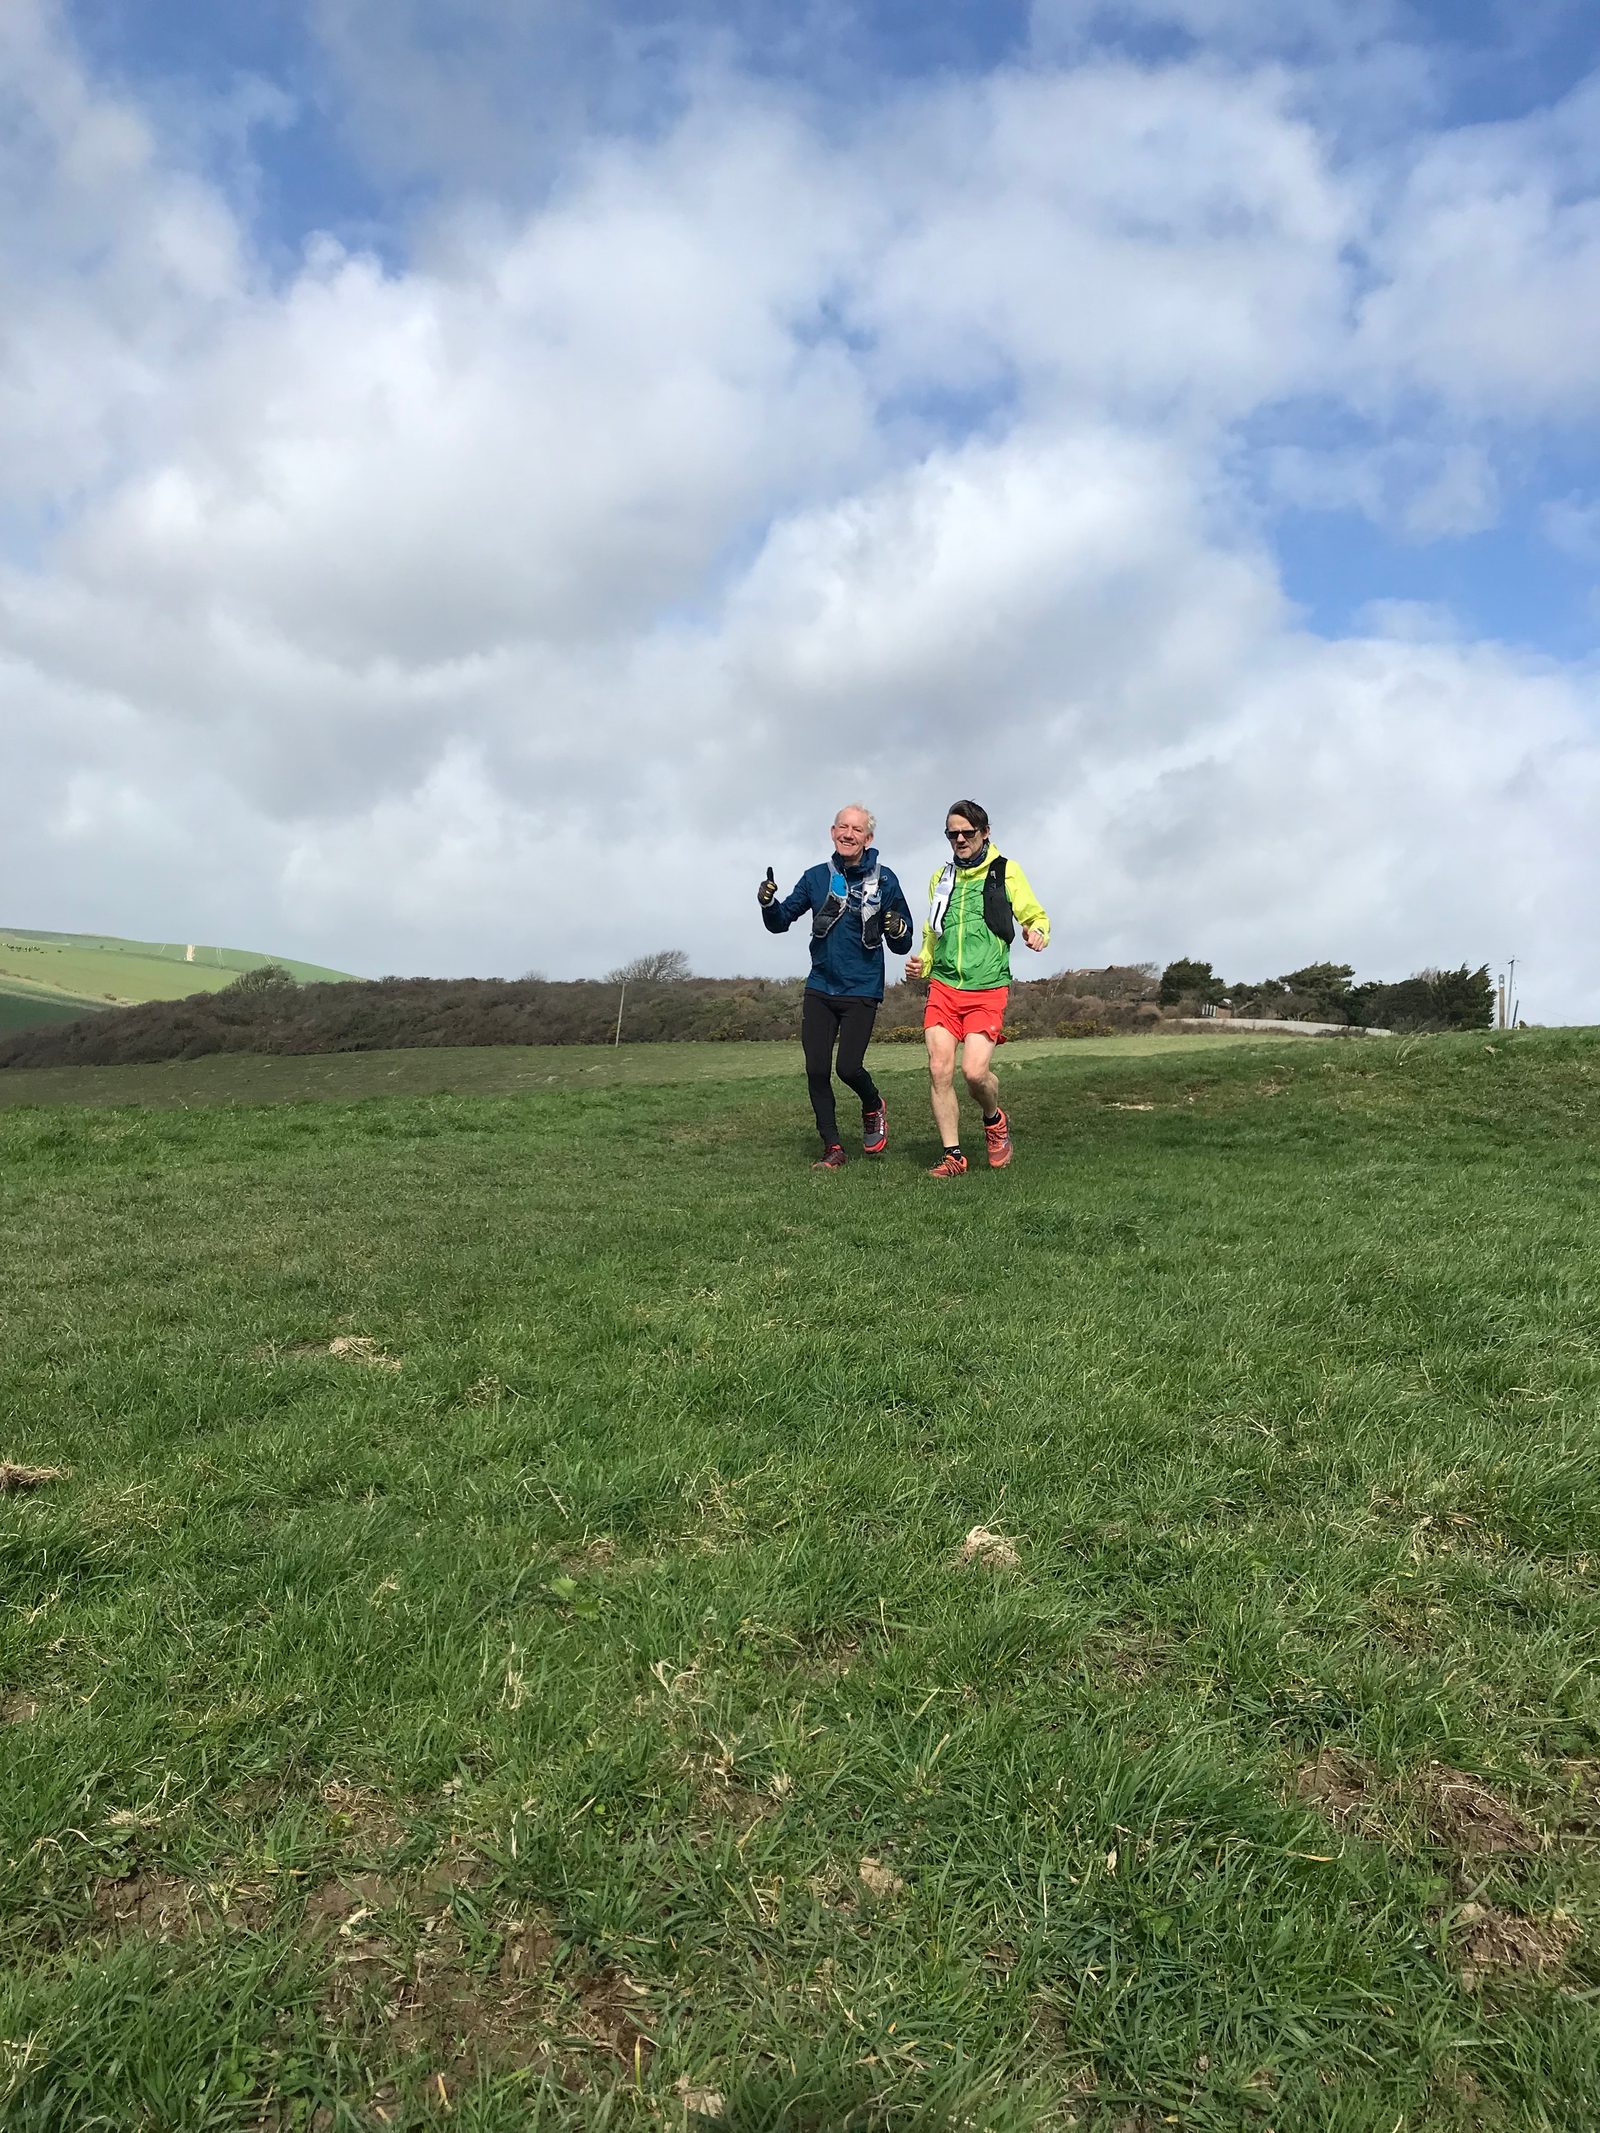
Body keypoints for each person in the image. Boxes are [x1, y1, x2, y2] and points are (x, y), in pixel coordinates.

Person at [759, 805, 915, 1169]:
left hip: (862, 988)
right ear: (832, 833)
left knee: (847, 1068)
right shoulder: (815, 877)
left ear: (868, 838)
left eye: (856, 829)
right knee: (816, 1069)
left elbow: (902, 944)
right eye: (842, 827)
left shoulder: (886, 880)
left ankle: (873, 1103)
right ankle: (833, 1147)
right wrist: (767, 903)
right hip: (820, 987)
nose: (848, 833)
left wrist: (896, 927)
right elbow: (780, 922)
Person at [904, 799, 1049, 1177]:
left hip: (987, 987)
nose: (960, 839)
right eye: (953, 834)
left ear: (985, 833)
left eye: (968, 832)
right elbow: (932, 931)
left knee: (973, 1074)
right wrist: (923, 962)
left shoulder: (1006, 871)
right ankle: (953, 1156)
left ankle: (994, 1118)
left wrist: (1037, 932)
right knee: (938, 1068)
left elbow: (1035, 915)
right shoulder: (942, 877)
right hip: (944, 987)